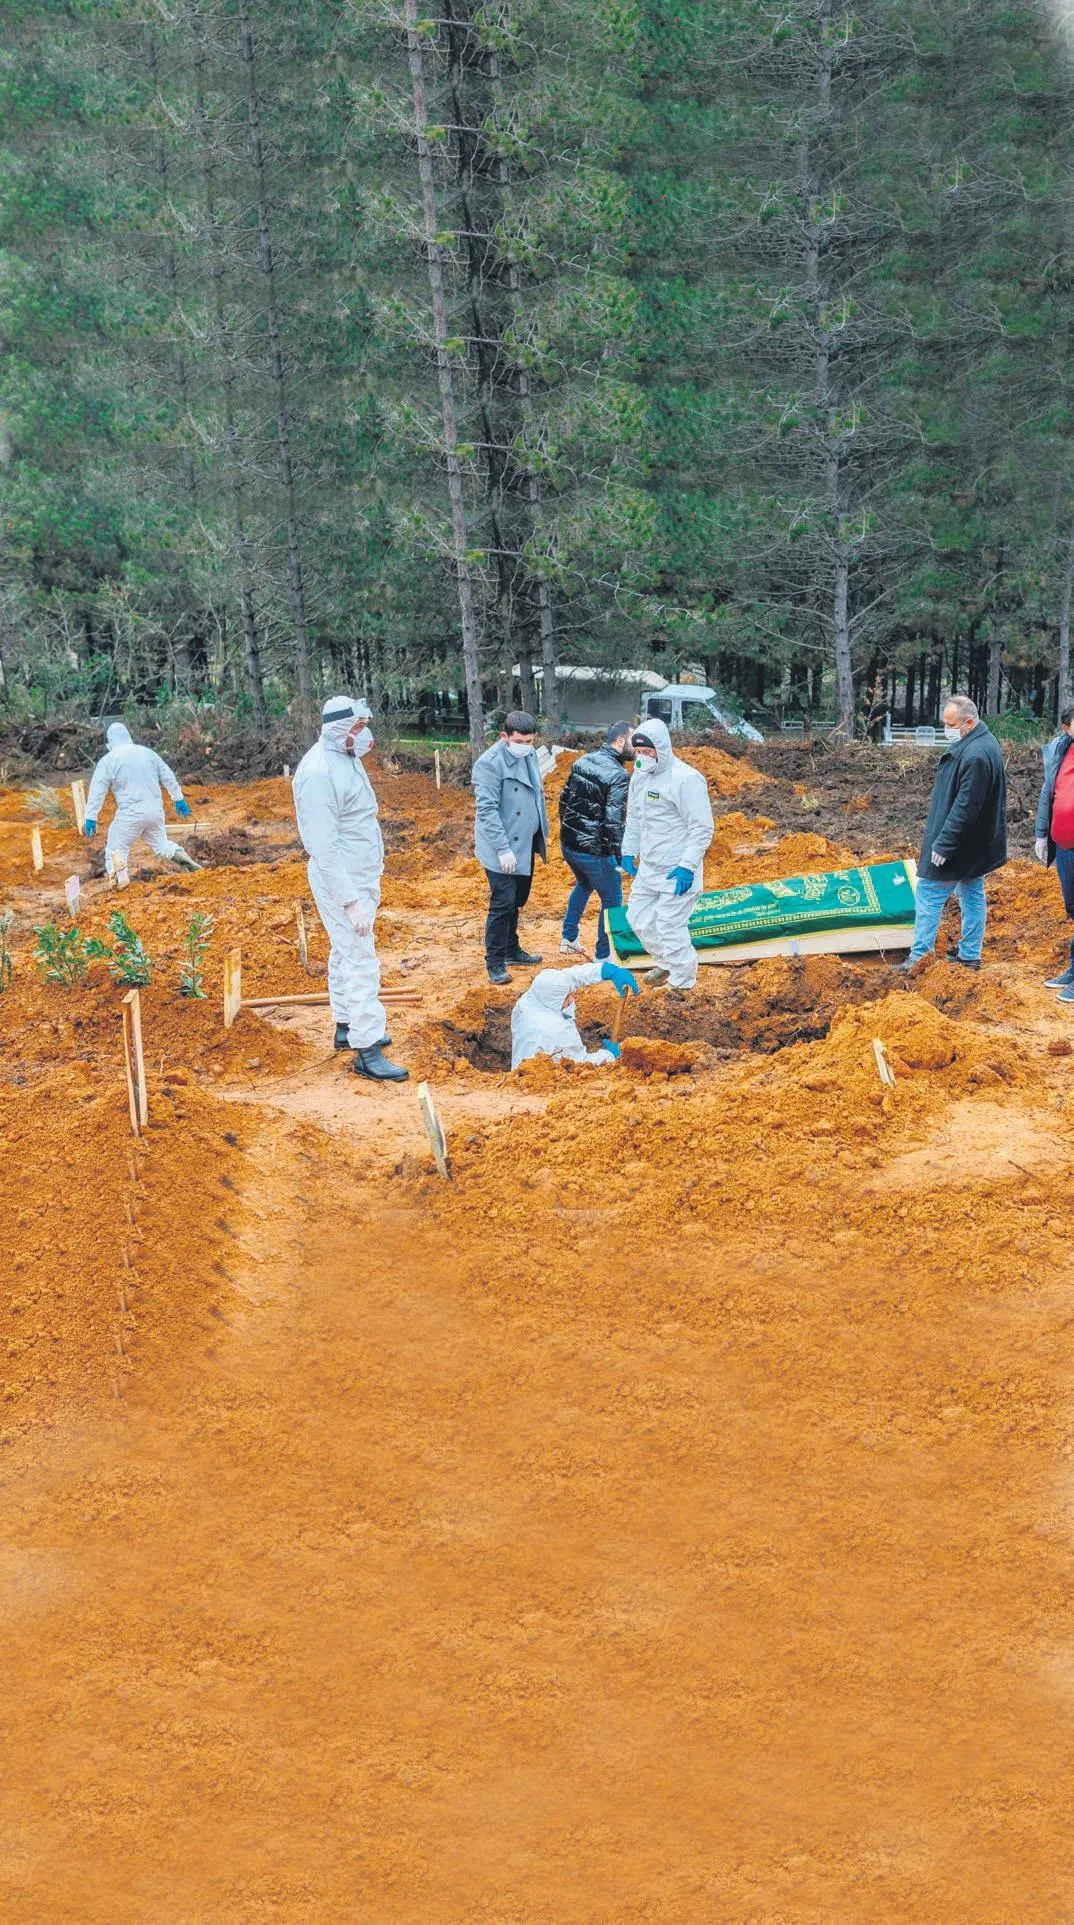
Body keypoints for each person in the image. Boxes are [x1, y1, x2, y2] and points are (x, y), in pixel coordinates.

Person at [292, 695, 407, 1083]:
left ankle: (346, 1025)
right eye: (357, 727)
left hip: (359, 873)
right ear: (339, 728)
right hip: (342, 880)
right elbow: (323, 848)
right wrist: (350, 900)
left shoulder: (345, 758)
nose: (364, 734)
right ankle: (367, 1048)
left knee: (345, 953)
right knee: (360, 958)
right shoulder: (319, 773)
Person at [900, 695, 1007, 972]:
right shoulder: (982, 743)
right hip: (976, 844)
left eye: (951, 724)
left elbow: (965, 807)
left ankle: (919, 958)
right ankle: (970, 954)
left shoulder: (975, 755)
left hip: (961, 844)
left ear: (969, 722)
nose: (947, 729)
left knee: (928, 892)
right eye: (945, 723)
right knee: (972, 891)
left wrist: (944, 845)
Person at [619, 717, 714, 993]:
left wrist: (687, 866)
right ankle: (667, 961)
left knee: (669, 924)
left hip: (677, 868)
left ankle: (682, 983)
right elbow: (635, 816)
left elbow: (702, 828)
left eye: (648, 752)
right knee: (638, 917)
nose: (643, 757)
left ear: (662, 748)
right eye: (639, 752)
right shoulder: (640, 774)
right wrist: (628, 850)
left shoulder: (686, 779)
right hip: (650, 865)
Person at [472, 710, 549, 986]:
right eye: (520, 741)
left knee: (518, 899)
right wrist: (503, 849)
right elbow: (488, 810)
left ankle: (511, 948)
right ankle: (494, 961)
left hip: (524, 842)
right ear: (505, 737)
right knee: (502, 903)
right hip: (501, 846)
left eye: (530, 741)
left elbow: (536, 795)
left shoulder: (528, 755)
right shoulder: (489, 764)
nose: (526, 747)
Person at [84, 722, 199, 884]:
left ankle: (120, 880)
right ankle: (191, 864)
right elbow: (167, 775)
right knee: (162, 845)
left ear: (110, 742)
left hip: (131, 814)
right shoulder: (148, 753)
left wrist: (91, 816)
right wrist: (178, 798)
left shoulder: (109, 760)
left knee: (116, 848)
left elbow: (97, 790)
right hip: (155, 812)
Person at [558, 721, 634, 960]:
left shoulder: (583, 761)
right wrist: (622, 858)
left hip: (570, 844)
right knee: (612, 897)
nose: (637, 747)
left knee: (584, 884)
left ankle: (569, 938)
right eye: (634, 741)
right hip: (593, 851)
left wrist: (571, 832)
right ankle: (604, 954)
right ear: (620, 741)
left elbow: (563, 800)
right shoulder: (619, 775)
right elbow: (614, 823)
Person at [511, 959, 639, 1070]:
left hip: (519, 1064)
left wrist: (604, 970)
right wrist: (610, 1055)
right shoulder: (556, 1030)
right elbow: (579, 1063)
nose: (571, 1000)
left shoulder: (530, 1001)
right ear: (555, 1001)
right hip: (542, 1082)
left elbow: (566, 979)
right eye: (566, 997)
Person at [1034, 703, 1074, 998]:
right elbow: (1049, 793)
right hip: (1064, 845)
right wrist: (1040, 834)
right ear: (1066, 728)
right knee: (1073, 909)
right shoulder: (1059, 752)